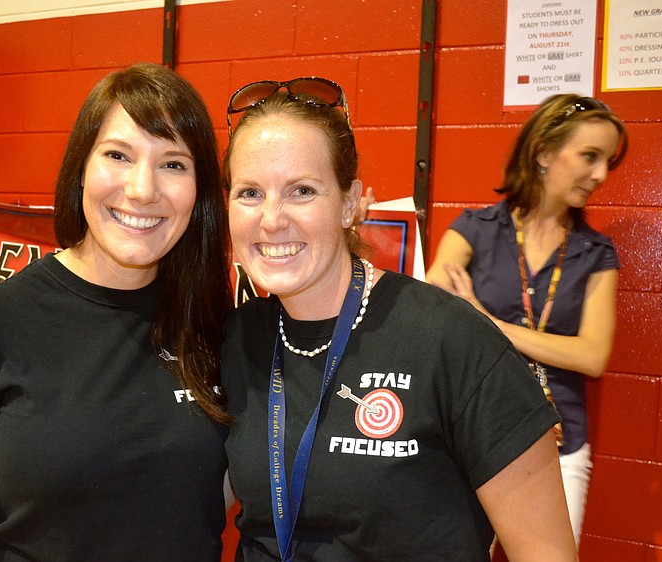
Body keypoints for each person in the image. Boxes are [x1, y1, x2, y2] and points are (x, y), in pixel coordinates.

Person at [221, 77, 578, 561]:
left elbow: (546, 554)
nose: (271, 219)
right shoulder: (235, 340)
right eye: (249, 193)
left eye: (302, 190)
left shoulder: (451, 340)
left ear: (350, 203)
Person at [0, 63, 232, 561]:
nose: (143, 189)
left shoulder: (217, 326)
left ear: (199, 191)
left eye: (173, 164)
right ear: (81, 167)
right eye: (118, 155)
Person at [426, 93, 627, 547]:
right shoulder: (473, 229)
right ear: (543, 153)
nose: (600, 175)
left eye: (606, 162)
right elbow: (435, 308)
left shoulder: (596, 253)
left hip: (558, 445)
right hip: (470, 440)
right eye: (589, 157)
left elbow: (592, 356)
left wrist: (486, 323)